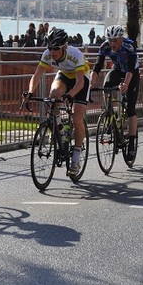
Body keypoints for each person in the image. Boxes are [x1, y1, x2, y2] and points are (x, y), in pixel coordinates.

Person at [24, 28, 89, 176]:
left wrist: (70, 95)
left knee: (76, 116)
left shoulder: (75, 54)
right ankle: (60, 130)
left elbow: (79, 83)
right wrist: (30, 92)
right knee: (53, 95)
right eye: (50, 48)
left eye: (56, 49)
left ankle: (76, 159)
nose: (52, 52)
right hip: (65, 75)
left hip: (81, 78)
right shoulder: (47, 54)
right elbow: (37, 75)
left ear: (64, 47)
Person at [90, 25, 140, 160]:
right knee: (106, 85)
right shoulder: (105, 46)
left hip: (132, 73)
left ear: (121, 39)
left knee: (130, 109)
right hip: (117, 70)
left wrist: (126, 84)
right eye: (110, 40)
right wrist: (92, 80)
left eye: (115, 41)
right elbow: (98, 66)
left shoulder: (129, 46)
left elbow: (130, 68)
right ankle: (109, 112)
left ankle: (132, 143)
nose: (112, 44)